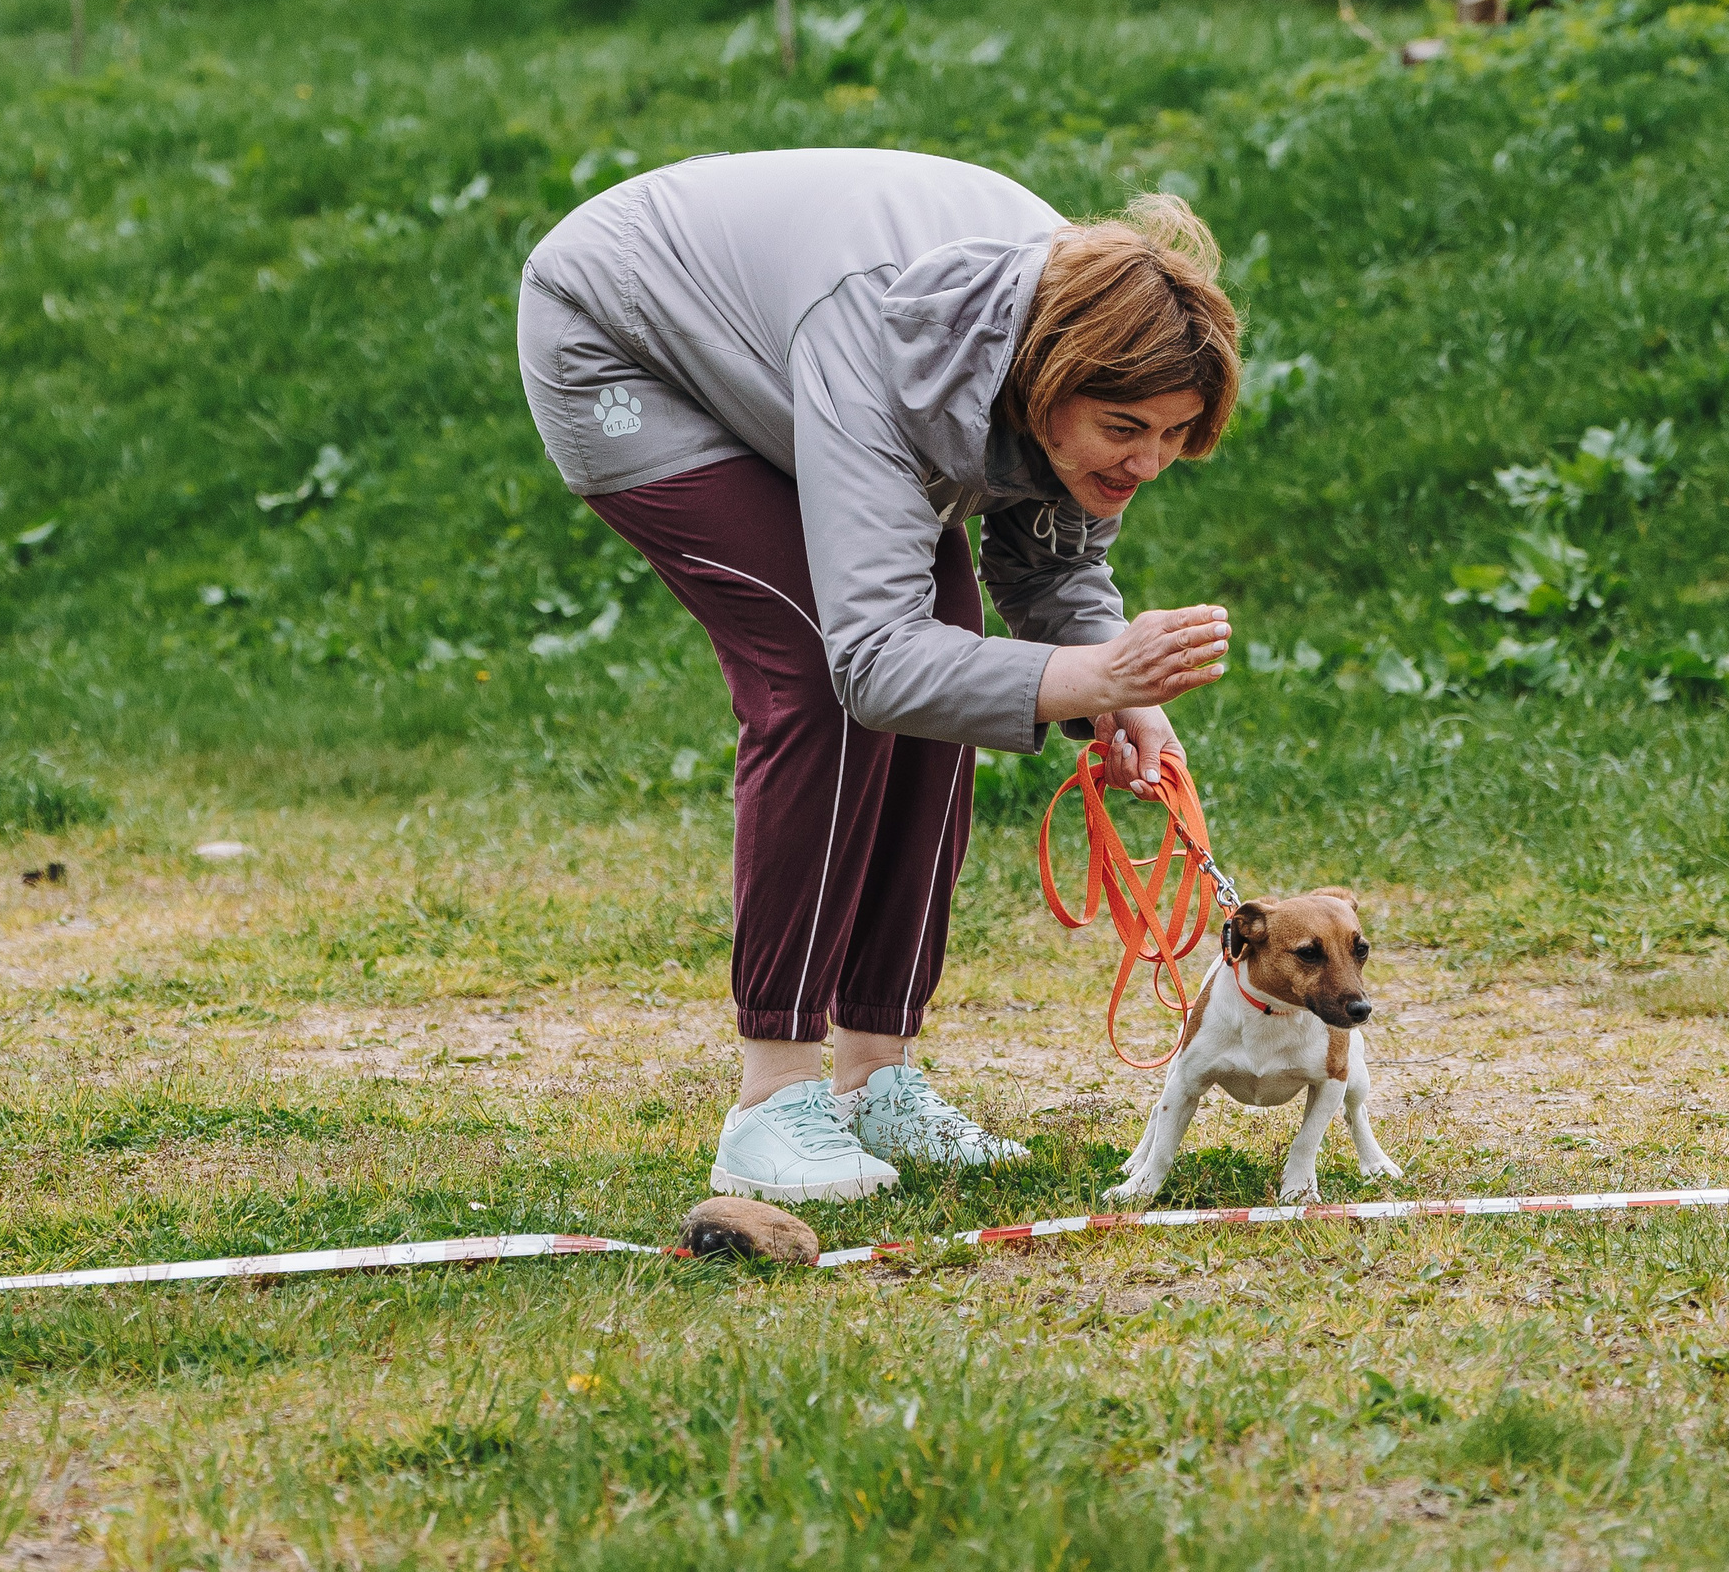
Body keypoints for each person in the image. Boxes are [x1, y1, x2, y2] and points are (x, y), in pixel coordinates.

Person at [516, 149, 1240, 1202]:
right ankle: (772, 1102)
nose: (1146, 462)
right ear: (1046, 380)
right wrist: (1087, 674)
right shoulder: (887, 348)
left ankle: (876, 1076)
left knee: (947, 640)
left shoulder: (1088, 338)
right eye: (1123, 430)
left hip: (797, 351)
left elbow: (1051, 564)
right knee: (818, 663)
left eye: (1174, 436)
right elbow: (873, 663)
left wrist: (1119, 691)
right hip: (625, 345)